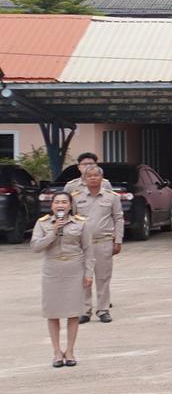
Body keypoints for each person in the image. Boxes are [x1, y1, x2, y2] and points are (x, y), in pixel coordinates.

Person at [33, 191, 95, 368]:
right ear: (52, 205)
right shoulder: (42, 223)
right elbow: (36, 247)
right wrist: (52, 232)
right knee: (52, 313)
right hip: (52, 271)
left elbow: (88, 250)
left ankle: (70, 351)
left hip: (74, 270)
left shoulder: (81, 224)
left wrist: (89, 273)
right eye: (57, 202)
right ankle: (56, 352)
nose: (60, 205)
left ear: (70, 205)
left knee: (73, 313)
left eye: (64, 202)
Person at [66, 154, 123, 323]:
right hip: (82, 244)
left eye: (96, 175)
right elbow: (71, 218)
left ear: (101, 177)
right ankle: (85, 310)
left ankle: (103, 309)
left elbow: (118, 218)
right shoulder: (76, 197)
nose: (93, 178)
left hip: (103, 242)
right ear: (83, 178)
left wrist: (118, 240)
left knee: (103, 277)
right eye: (89, 175)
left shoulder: (112, 196)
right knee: (84, 277)